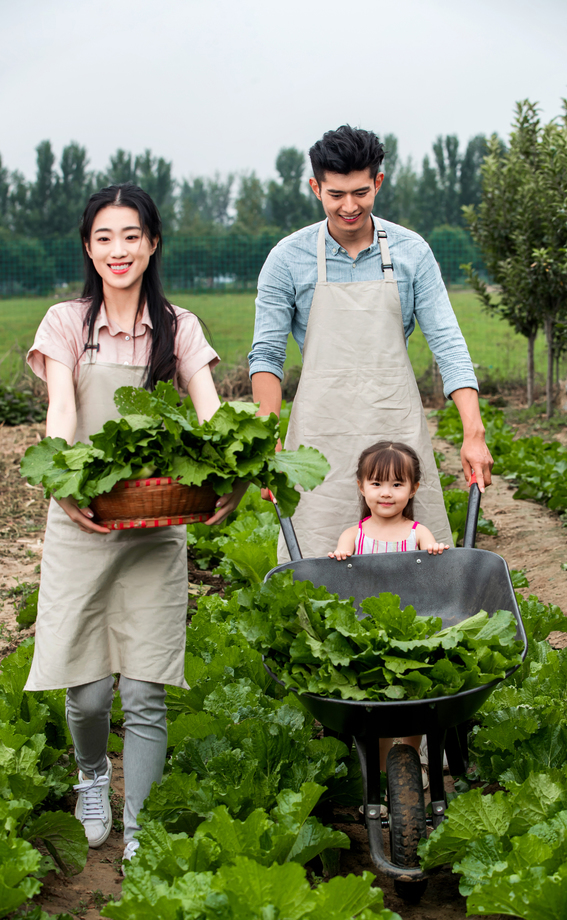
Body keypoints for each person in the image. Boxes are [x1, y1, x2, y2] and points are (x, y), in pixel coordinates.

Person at [24, 184, 244, 870]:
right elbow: (62, 410)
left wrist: (228, 472)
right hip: (83, 523)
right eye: (103, 238)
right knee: (87, 691)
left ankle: (141, 819)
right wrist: (62, 480)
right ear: (89, 249)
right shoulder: (66, 322)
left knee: (146, 688)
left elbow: (209, 411)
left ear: (151, 244)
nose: (117, 250)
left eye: (130, 236)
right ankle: (92, 775)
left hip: (153, 523)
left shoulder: (179, 327)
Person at [249, 125, 493, 561]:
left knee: (415, 562)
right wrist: (269, 438)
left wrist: (473, 433)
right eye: (335, 194)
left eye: (360, 192)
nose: (348, 206)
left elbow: (448, 345)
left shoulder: (411, 252)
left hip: (393, 424)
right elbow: (267, 355)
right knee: (320, 554)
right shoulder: (287, 258)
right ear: (315, 187)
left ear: (378, 182)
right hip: (320, 434)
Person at [329, 440, 448, 785]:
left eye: (397, 484)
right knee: (376, 704)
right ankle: (381, 776)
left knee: (415, 697)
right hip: (367, 632)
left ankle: (412, 760)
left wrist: (435, 551)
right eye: (377, 483)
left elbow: (432, 553)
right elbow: (340, 564)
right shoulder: (354, 535)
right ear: (361, 487)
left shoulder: (417, 532)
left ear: (413, 490)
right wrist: (338, 558)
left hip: (413, 627)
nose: (387, 493)